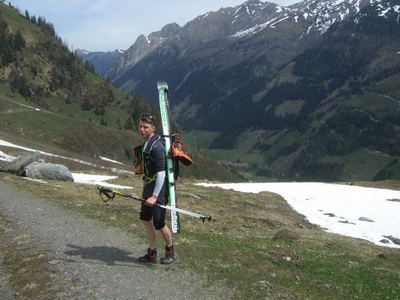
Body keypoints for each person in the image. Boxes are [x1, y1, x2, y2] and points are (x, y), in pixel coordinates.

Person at [137, 113, 176, 264]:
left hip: (159, 188)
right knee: (146, 218)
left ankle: (170, 249)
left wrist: (154, 196)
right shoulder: (146, 142)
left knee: (159, 222)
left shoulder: (157, 146)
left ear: (153, 128)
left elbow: (161, 173)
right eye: (140, 126)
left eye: (145, 127)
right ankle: (152, 252)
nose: (142, 130)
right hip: (148, 185)